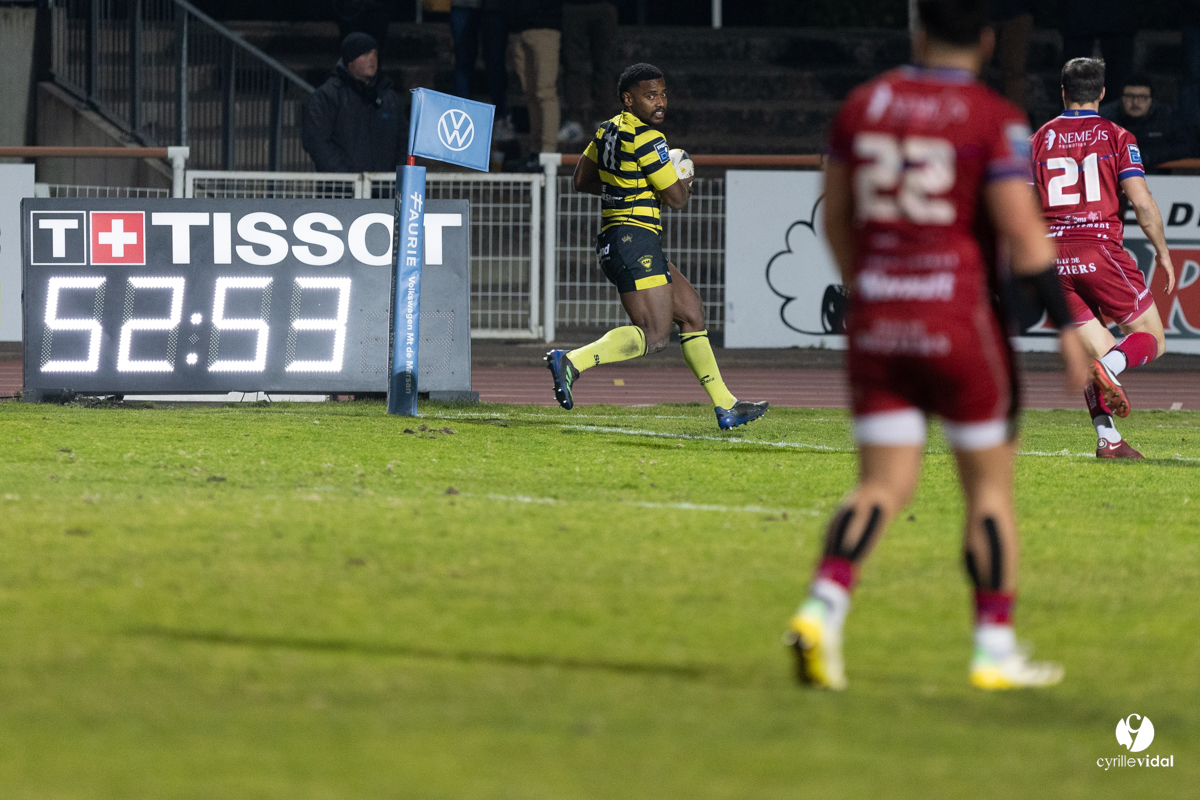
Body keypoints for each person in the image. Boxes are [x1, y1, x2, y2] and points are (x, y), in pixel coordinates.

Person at [784, 0, 1090, 692]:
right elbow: (1023, 233)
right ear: (986, 40)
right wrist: (1069, 329)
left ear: (918, 30)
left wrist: (870, 285)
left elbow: (835, 219)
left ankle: (820, 608)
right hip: (960, 325)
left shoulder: (863, 105)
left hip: (879, 324)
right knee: (988, 494)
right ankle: (993, 648)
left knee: (881, 485)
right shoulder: (991, 117)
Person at [545, 63, 769, 430]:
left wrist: (624, 187)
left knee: (692, 312)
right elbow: (677, 199)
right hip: (634, 239)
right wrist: (684, 176)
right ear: (628, 99)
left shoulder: (606, 131)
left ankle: (726, 405)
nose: (660, 102)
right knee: (654, 334)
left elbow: (581, 179)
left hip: (622, 238)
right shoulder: (650, 140)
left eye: (663, 94)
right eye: (651, 96)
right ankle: (572, 362)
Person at [1032, 59, 1176, 459]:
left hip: (1051, 258)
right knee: (1152, 339)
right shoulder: (1117, 134)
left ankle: (1108, 439)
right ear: (1101, 94)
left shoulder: (1038, 139)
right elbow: (1142, 203)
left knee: (1093, 353)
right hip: (1097, 249)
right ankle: (1112, 368)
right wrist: (1162, 253)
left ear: (1062, 92)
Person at [302, 33, 407, 172]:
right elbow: (317, 141)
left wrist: (392, 178)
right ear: (350, 60)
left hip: (383, 188)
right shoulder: (327, 96)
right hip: (341, 190)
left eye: (375, 53)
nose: (372, 59)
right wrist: (346, 179)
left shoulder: (389, 98)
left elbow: (403, 140)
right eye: (365, 54)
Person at [449, 0, 516, 142]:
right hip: (463, 4)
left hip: (494, 6)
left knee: (495, 60)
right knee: (463, 60)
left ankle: (501, 118)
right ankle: (461, 120)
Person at [1099, 75, 1195, 171]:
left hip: (1158, 177)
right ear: (1121, 98)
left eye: (1142, 97)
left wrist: (1150, 156)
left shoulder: (1166, 116)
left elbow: (1187, 146)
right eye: (1129, 96)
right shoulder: (1104, 117)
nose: (1135, 102)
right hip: (1114, 177)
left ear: (1151, 100)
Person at [506, 0, 563, 158]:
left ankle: (548, 153)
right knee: (529, 94)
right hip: (517, 29)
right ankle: (535, 151)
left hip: (545, 26)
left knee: (545, 92)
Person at [559, 0, 620, 144]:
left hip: (604, 6)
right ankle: (574, 120)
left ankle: (603, 120)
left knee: (604, 64)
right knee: (571, 64)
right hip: (573, 7)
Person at [1058, 0, 1137, 104]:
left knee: (1118, 73)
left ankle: (1117, 114)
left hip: (1118, 16)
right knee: (1074, 72)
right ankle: (1073, 114)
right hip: (1077, 14)